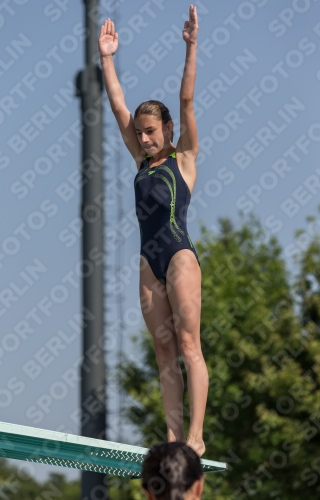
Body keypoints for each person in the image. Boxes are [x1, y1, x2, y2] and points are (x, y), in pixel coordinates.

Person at [99, 5, 208, 457]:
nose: (143, 139)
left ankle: (196, 437)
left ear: (166, 131)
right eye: (139, 134)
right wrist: (107, 58)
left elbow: (185, 102)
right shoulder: (141, 161)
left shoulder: (182, 159)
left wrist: (191, 47)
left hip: (179, 255)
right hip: (148, 261)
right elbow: (119, 104)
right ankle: (172, 437)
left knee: (187, 343)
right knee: (163, 353)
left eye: (150, 132)